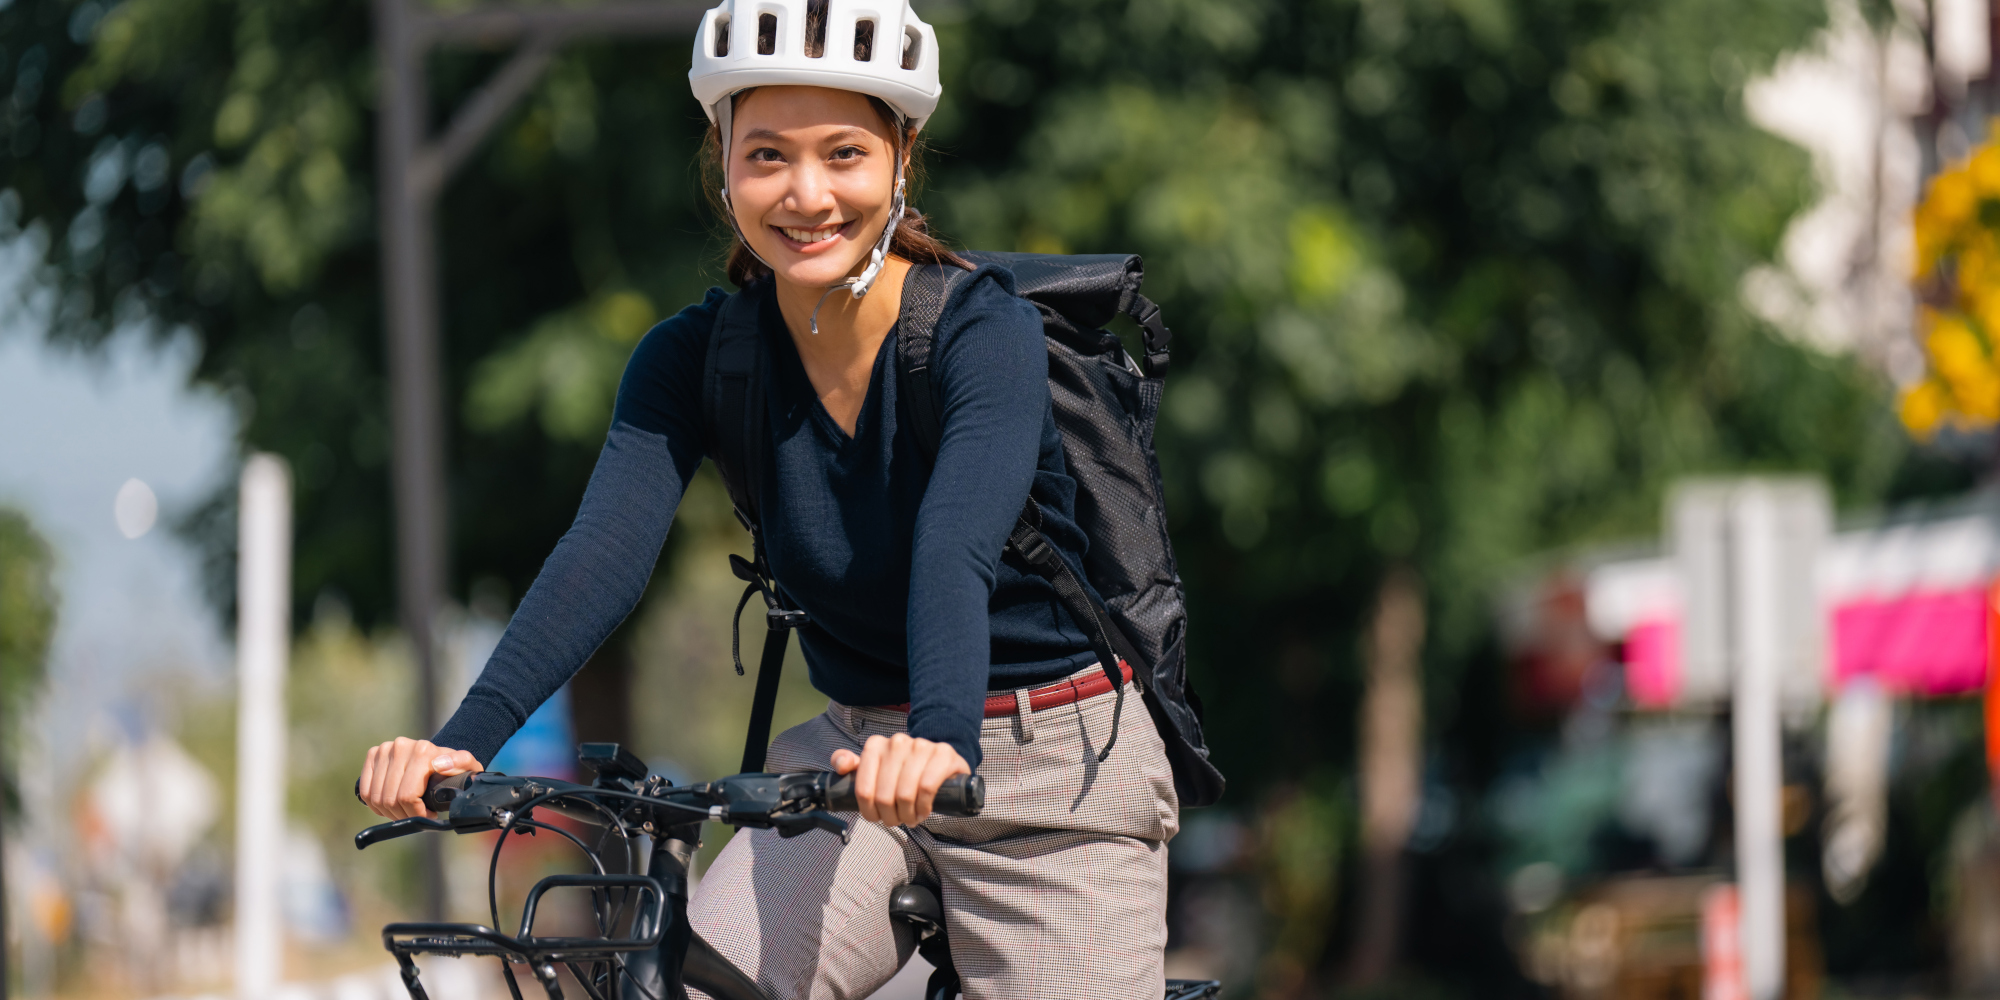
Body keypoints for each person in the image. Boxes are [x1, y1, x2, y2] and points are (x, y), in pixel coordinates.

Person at [357, 1, 1178, 996]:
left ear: (900, 154)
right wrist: (459, 743)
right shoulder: (697, 360)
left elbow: (952, 544)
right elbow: (601, 555)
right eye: (766, 156)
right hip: (851, 758)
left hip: (1051, 764)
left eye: (842, 153)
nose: (805, 194)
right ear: (721, 159)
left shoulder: (980, 333)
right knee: (696, 979)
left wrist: (942, 741)